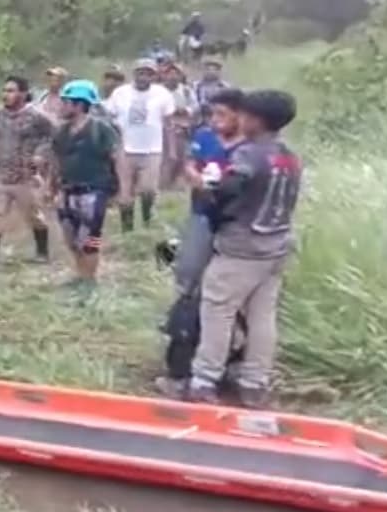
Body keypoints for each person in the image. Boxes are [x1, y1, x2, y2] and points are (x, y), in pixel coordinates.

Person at [188, 90, 302, 408]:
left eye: (245, 116)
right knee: (262, 316)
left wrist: (208, 193)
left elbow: (227, 191)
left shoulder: (249, 154)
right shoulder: (290, 156)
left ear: (256, 120)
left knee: (218, 310)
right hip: (276, 245)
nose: (241, 120)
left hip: (242, 246)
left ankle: (204, 379)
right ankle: (254, 382)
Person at [155, 89, 246, 397]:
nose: (215, 120)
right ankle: (183, 355)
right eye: (212, 114)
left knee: (230, 296)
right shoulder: (206, 136)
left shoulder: (249, 147)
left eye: (222, 114)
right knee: (189, 282)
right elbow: (190, 163)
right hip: (203, 215)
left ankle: (229, 361)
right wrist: (195, 177)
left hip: (235, 226)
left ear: (240, 115)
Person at [46, 80, 120, 291]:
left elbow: (117, 159)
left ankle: (89, 280)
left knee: (90, 239)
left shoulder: (101, 129)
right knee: (71, 238)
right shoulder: (61, 132)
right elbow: (56, 161)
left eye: (66, 102)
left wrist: (122, 189)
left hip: (94, 190)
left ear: (79, 105)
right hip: (68, 190)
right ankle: (80, 275)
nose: (61, 106)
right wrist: (51, 186)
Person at [0, 76, 56, 270]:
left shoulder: (37, 116)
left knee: (34, 216)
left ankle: (42, 252)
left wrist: (40, 155)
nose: (6, 94)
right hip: (1, 176)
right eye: (4, 90)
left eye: (11, 90)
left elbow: (52, 137)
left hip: (26, 177)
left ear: (23, 93)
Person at [104, 58, 176, 231]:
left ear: (154, 76)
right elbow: (108, 119)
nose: (143, 77)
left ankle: (147, 221)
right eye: (140, 73)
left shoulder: (162, 94)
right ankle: (127, 229)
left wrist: (172, 150)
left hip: (152, 149)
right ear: (134, 74)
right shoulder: (120, 93)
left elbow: (169, 124)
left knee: (148, 190)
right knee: (125, 192)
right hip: (125, 149)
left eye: (148, 74)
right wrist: (111, 145)